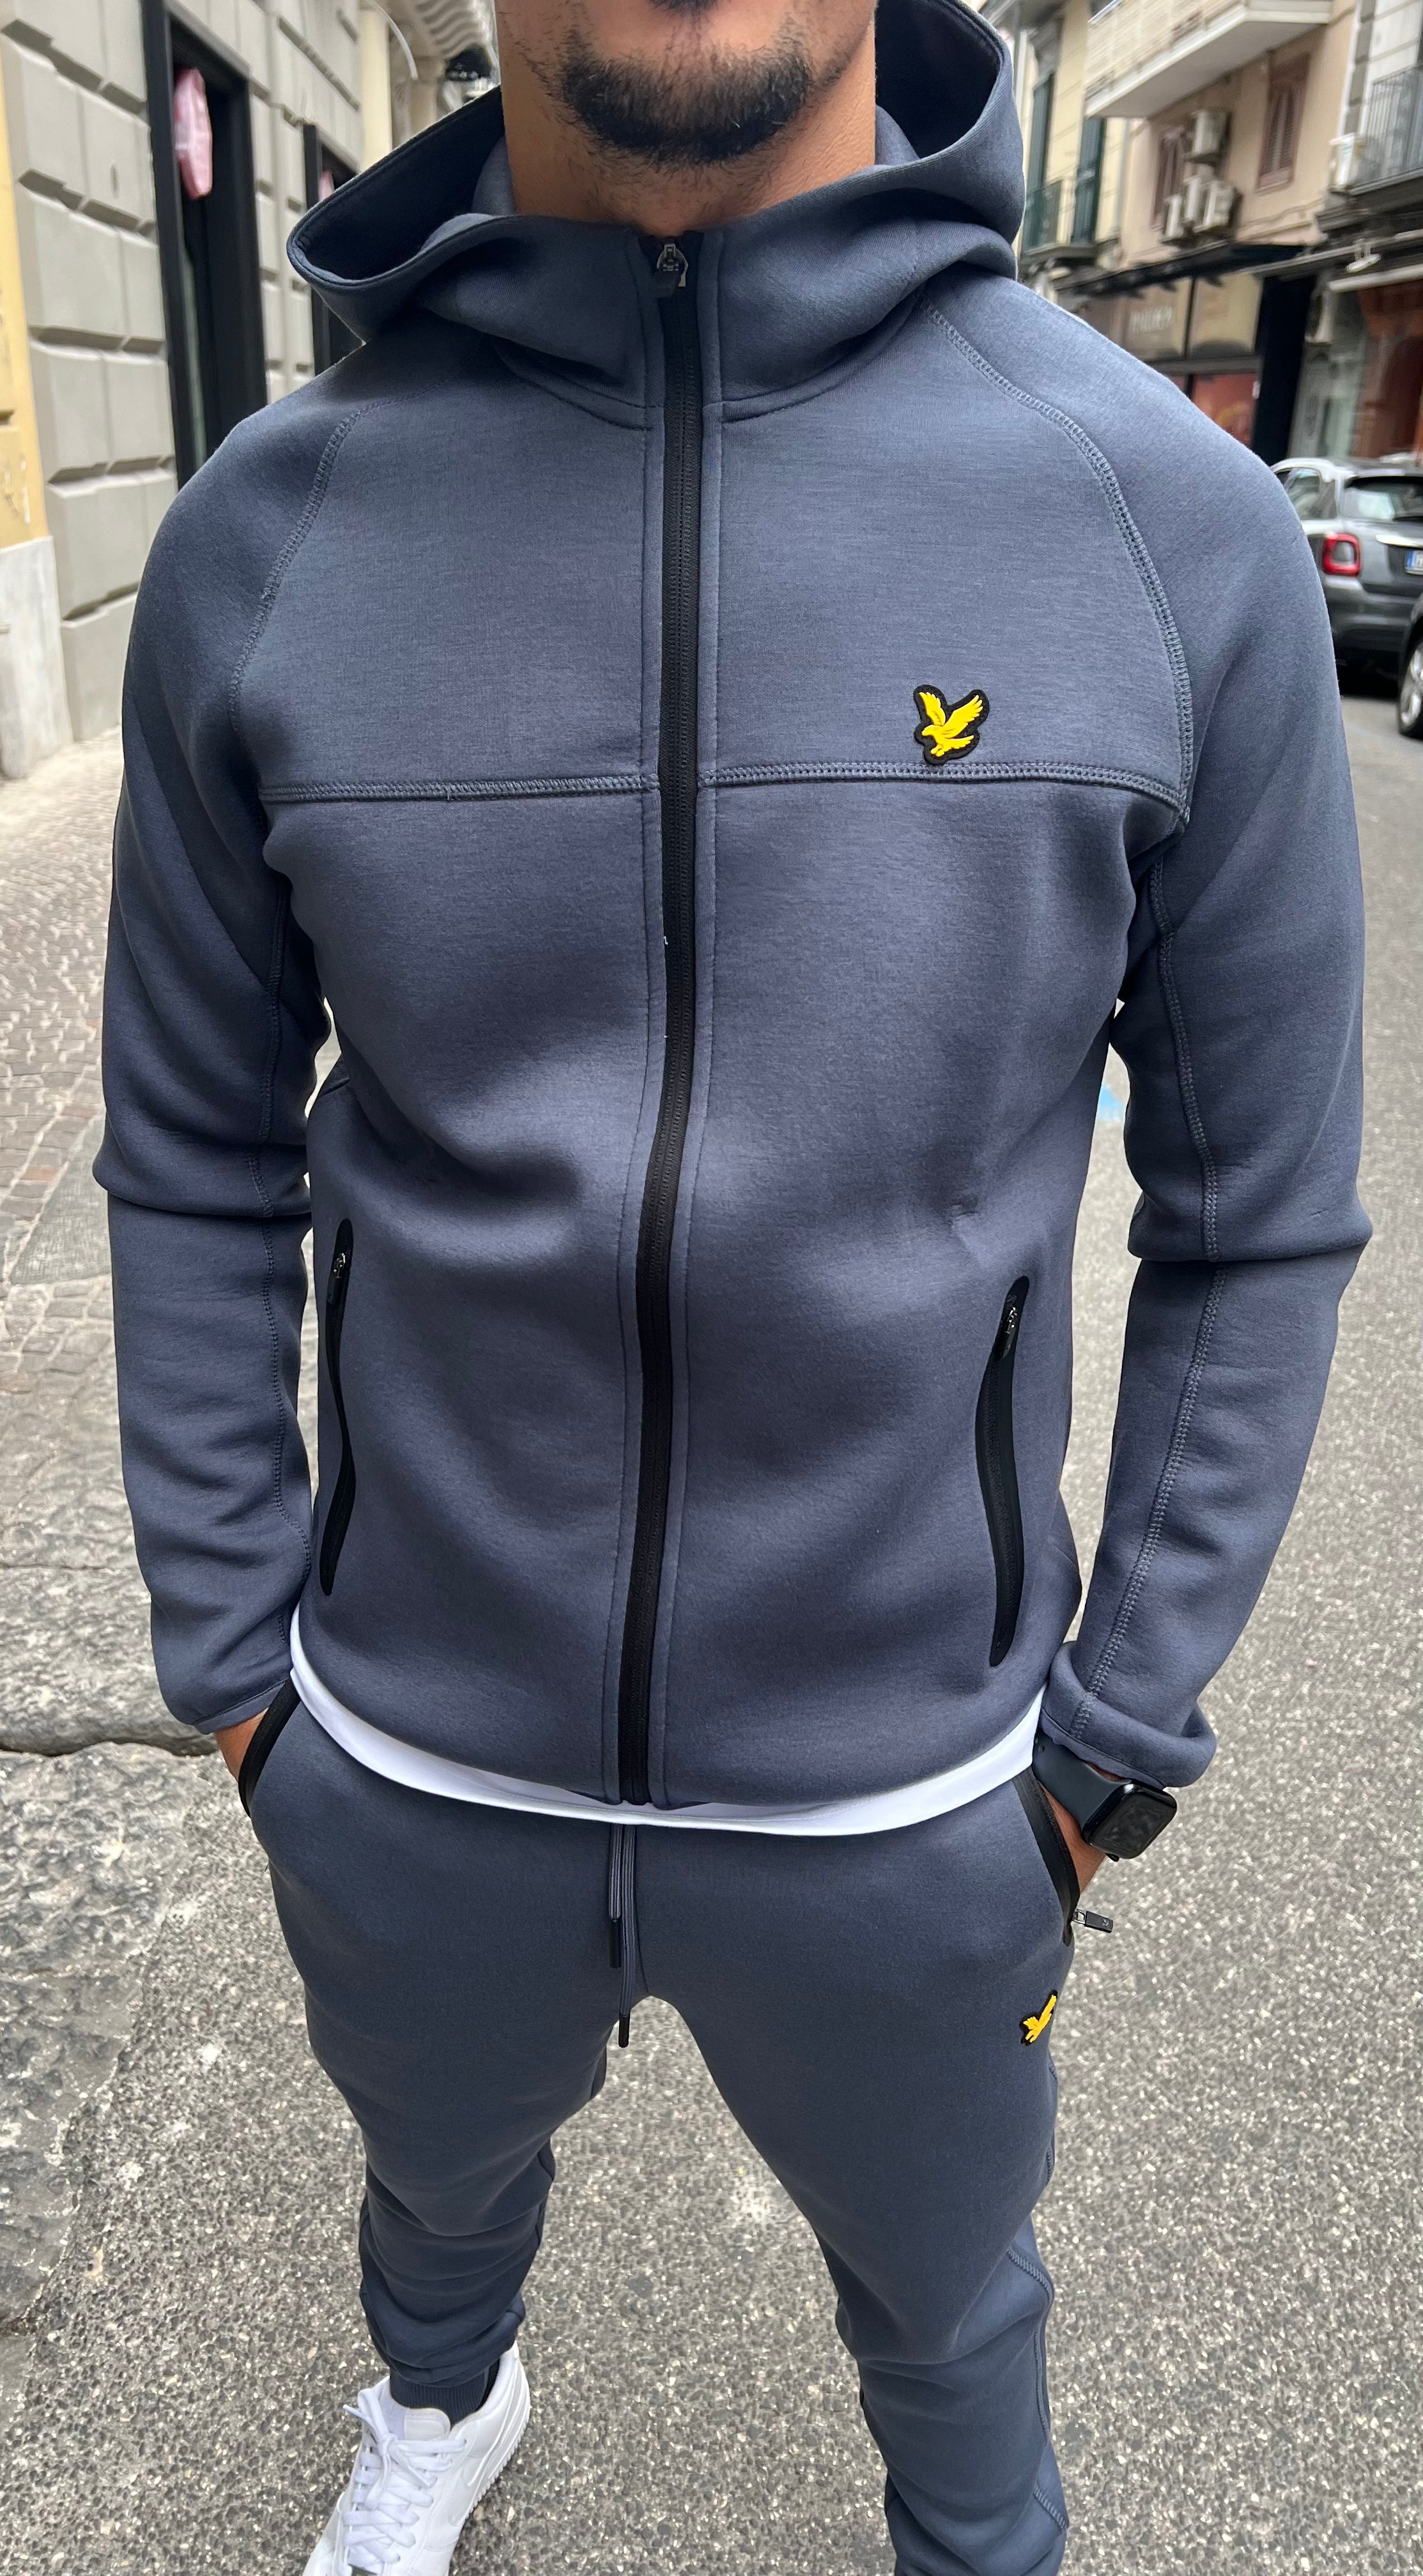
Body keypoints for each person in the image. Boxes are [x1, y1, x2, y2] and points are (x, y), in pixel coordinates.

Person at [97, 0, 1367, 2565]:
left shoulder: (1160, 520)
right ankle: (438, 2409)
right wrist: (241, 1670)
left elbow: (1258, 1212)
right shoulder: (274, 531)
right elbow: (192, 1151)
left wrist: (1109, 1738)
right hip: (409, 1762)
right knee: (432, 2188)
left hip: (915, 1791)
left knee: (950, 2300)